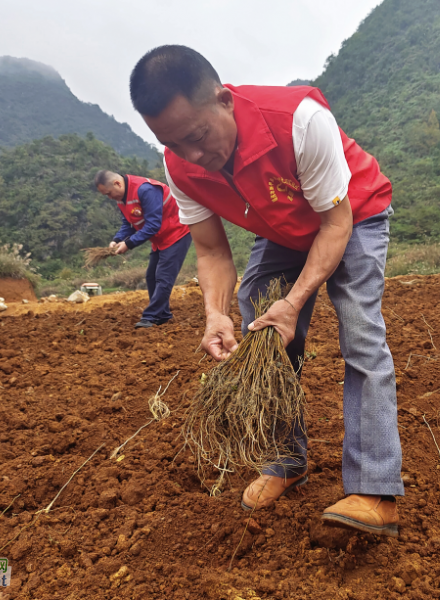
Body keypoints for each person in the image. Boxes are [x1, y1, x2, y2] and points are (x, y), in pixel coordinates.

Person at [130, 45, 403, 537]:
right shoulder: (179, 164)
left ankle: (375, 489)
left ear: (223, 100)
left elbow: (335, 225)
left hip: (351, 215)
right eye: (172, 143)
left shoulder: (298, 122)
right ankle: (284, 461)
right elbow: (211, 251)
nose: (192, 156)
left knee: (361, 334)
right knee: (259, 321)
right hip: (281, 229)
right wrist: (213, 314)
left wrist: (295, 302)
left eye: (196, 136)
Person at [95, 170, 192, 328]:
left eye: (109, 193)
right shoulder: (121, 199)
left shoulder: (145, 190)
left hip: (176, 233)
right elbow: (128, 224)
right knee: (151, 276)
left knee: (163, 277)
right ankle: (163, 315)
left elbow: (153, 225)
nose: (110, 198)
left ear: (117, 184)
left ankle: (150, 316)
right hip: (160, 239)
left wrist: (129, 244)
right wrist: (117, 240)